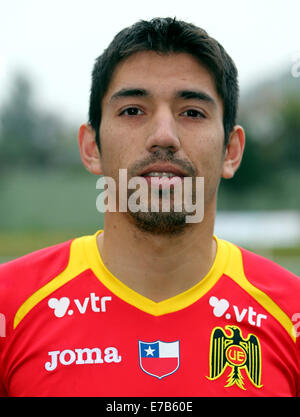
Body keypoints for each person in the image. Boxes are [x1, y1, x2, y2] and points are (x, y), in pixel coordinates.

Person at [0, 17, 299, 397]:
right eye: (133, 111)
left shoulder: (291, 317)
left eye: (191, 112)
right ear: (92, 148)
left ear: (231, 150)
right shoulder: (9, 307)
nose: (163, 136)